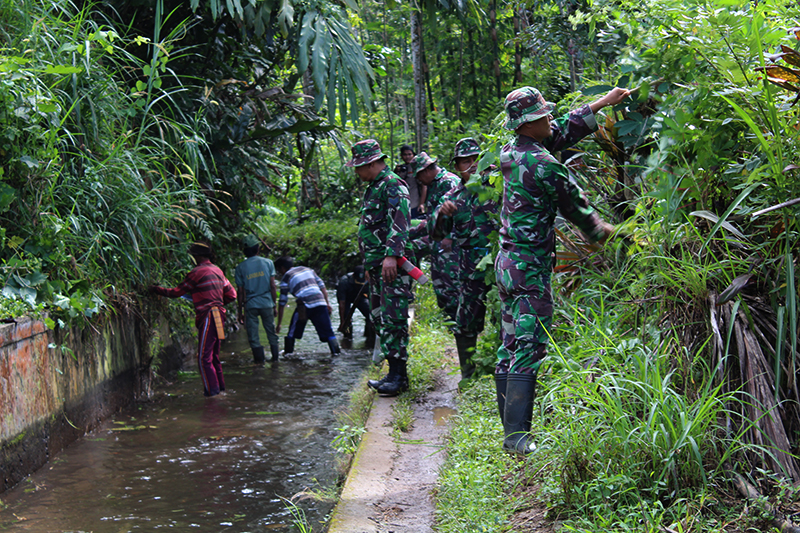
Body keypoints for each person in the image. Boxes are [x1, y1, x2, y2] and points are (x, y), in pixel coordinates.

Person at [495, 86, 628, 455]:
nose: (551, 119)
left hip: (507, 265)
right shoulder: (544, 165)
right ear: (531, 122)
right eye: (545, 115)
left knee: (509, 343)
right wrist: (619, 234)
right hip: (529, 269)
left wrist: (602, 102)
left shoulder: (512, 152)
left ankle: (509, 428)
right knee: (529, 345)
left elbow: (560, 133)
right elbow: (582, 214)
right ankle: (517, 437)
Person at [347, 139, 413, 396]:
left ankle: (399, 376)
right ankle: (393, 372)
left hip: (391, 266)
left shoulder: (393, 184)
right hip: (377, 267)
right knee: (379, 318)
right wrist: (369, 264)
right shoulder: (374, 187)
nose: (357, 172)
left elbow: (400, 222)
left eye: (359, 167)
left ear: (371, 163)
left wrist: (391, 256)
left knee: (394, 318)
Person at [432, 138, 499, 382]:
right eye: (464, 162)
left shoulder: (495, 185)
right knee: (465, 323)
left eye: (474, 160)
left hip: (500, 263)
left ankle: (504, 371)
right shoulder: (452, 197)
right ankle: (469, 376)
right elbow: (438, 234)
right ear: (457, 166)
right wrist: (442, 214)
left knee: (504, 317)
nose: (470, 166)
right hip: (469, 269)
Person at [149, 242, 237, 397]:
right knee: (214, 356)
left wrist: (156, 289)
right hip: (219, 315)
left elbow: (176, 292)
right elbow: (232, 295)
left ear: (198, 256)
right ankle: (221, 390)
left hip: (209, 315)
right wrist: (215, 299)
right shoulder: (218, 270)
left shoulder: (197, 272)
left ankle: (212, 395)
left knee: (204, 358)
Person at [408, 151, 461, 322]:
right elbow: (432, 218)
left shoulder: (449, 182)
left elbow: (458, 212)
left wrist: (449, 236)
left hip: (451, 241)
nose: (419, 181)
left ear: (426, 170)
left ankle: (456, 317)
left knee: (451, 279)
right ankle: (447, 316)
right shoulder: (433, 185)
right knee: (440, 280)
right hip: (437, 239)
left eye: (419, 176)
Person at [274, 256, 341, 357]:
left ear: (282, 268)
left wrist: (279, 324)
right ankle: (336, 354)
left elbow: (282, 302)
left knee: (292, 333)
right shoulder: (308, 269)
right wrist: (327, 303)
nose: (280, 273)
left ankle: (288, 355)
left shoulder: (286, 277)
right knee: (329, 332)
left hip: (304, 305)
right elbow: (322, 286)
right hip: (320, 302)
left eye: (279, 271)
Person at [234, 234, 279, 365]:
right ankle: (275, 361)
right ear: (258, 249)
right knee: (271, 332)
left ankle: (259, 363)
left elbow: (241, 292)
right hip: (267, 303)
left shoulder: (240, 267)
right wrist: (274, 305)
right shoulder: (268, 263)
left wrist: (240, 311)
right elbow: (272, 286)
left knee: (253, 336)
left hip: (251, 305)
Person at [336, 265, 375, 340]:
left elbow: (372, 298)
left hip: (361, 297)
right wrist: (342, 321)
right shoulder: (344, 282)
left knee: (370, 315)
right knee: (346, 317)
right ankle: (347, 337)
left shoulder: (368, 281)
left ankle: (369, 336)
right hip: (347, 298)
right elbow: (342, 303)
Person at [394, 145, 428, 219]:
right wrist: (396, 172)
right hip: (403, 204)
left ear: (413, 155)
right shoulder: (400, 168)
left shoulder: (417, 167)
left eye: (409, 154)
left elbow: (424, 186)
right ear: (401, 156)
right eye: (405, 154)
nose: (407, 157)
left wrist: (421, 203)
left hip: (415, 203)